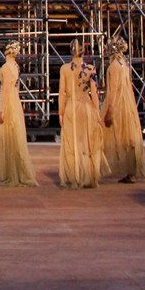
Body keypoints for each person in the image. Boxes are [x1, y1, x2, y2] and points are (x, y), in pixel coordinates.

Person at [101, 36, 145, 183]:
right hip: (128, 103)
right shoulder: (124, 64)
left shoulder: (114, 67)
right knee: (127, 136)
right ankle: (130, 170)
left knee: (107, 134)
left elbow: (114, 89)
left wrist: (110, 109)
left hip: (119, 104)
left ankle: (101, 168)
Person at [57, 39, 105, 189]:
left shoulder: (65, 69)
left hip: (72, 107)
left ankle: (76, 175)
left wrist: (61, 112)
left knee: (74, 142)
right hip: (87, 107)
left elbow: (62, 93)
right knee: (87, 142)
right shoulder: (90, 68)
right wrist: (97, 112)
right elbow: (95, 93)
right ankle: (87, 174)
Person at [0, 41, 37, 187]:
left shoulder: (6, 67)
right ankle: (16, 171)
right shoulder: (15, 66)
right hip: (15, 100)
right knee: (15, 137)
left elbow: (5, 90)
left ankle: (12, 173)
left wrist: (2, 111)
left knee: (9, 136)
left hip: (9, 101)